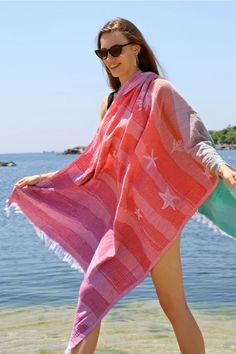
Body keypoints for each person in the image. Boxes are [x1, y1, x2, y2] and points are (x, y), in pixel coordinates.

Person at [13, 18, 236, 354]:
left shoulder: (159, 89)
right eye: (102, 52)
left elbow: (194, 137)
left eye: (115, 49)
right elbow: (95, 159)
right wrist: (47, 179)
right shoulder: (110, 103)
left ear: (136, 49)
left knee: (173, 305)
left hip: (155, 213)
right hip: (117, 220)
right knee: (91, 292)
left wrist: (220, 165)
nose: (109, 58)